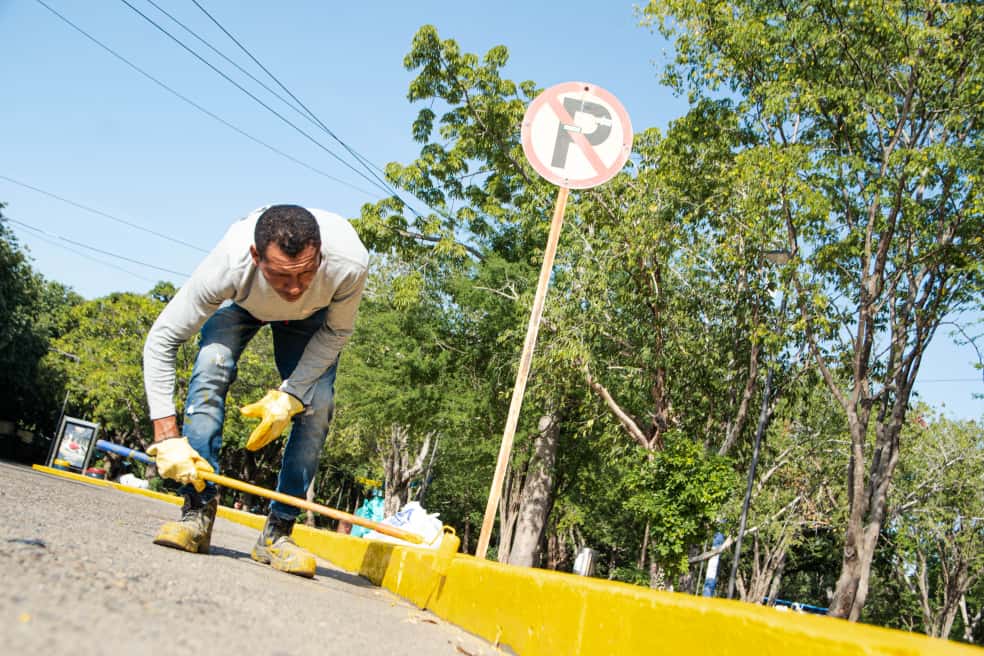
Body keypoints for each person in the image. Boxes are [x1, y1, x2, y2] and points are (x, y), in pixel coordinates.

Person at [143, 204, 368, 578]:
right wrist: (165, 434)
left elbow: (338, 333)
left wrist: (292, 394)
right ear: (256, 256)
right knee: (211, 365)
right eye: (282, 276)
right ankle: (197, 514)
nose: (294, 288)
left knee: (319, 403)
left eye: (305, 274)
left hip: (313, 321)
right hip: (244, 304)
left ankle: (278, 533)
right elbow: (162, 338)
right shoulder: (229, 263)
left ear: (321, 256)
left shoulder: (349, 263)